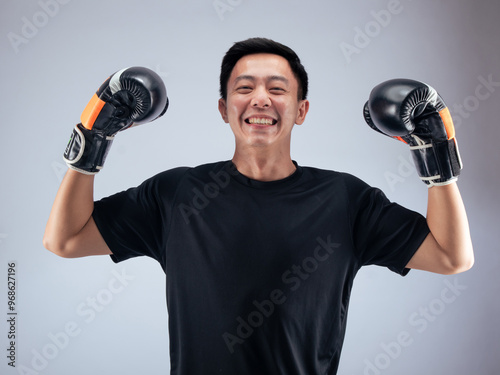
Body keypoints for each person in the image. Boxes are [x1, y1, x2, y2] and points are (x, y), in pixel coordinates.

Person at [43, 38, 474, 374]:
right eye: (244, 88)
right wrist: (93, 135)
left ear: (301, 110)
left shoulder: (346, 200)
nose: (261, 99)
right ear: (224, 109)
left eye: (278, 89)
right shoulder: (176, 193)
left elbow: (451, 255)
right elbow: (65, 239)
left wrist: (437, 152)